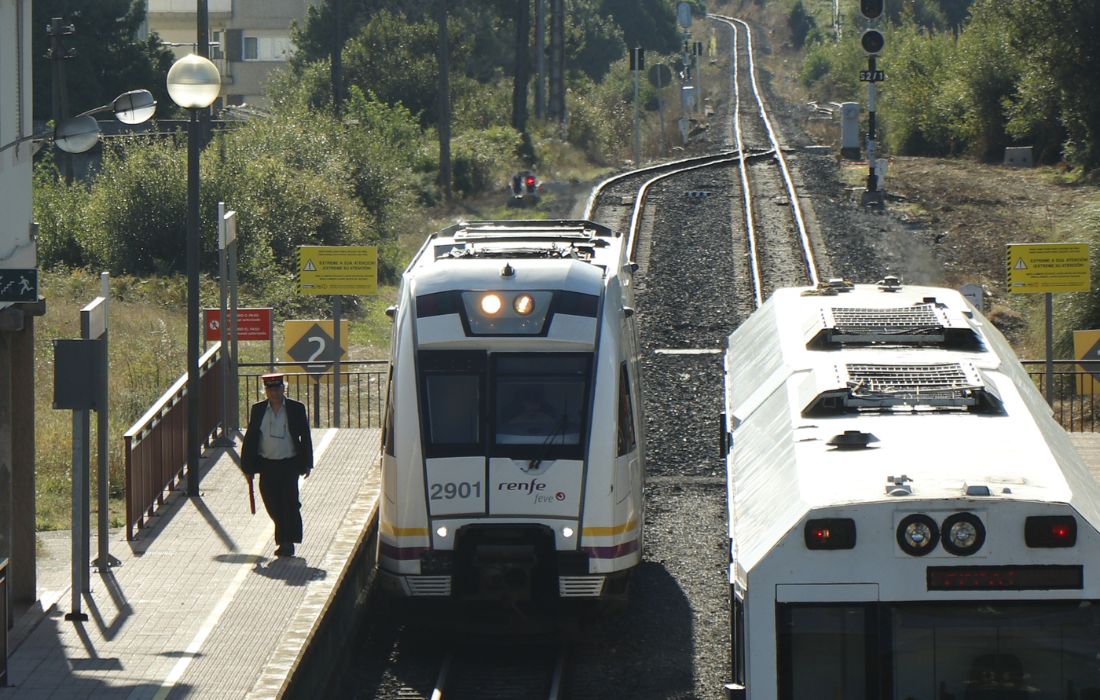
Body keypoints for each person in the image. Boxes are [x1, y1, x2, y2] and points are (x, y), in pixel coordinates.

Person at [241, 373, 313, 557]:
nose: (274, 393)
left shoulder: (296, 408)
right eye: (270, 389)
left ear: (283, 389)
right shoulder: (258, 410)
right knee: (272, 503)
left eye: (277, 389)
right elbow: (250, 439)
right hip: (267, 465)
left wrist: (307, 463)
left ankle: (286, 542)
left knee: (289, 503)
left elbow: (305, 436)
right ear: (265, 391)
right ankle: (284, 535)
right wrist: (247, 467)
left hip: (289, 464)